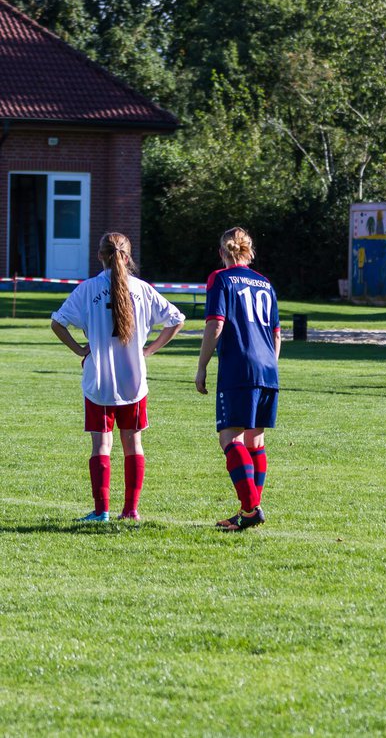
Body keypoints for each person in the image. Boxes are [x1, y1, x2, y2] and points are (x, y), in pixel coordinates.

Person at [50, 233, 186, 522]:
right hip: (134, 381)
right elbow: (176, 319)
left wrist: (79, 350)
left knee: (101, 446)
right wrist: (149, 350)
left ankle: (101, 511)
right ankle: (131, 510)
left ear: (101, 256)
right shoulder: (142, 289)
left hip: (98, 380)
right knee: (133, 445)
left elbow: (57, 323)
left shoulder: (87, 290)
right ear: (127, 256)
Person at [195, 227, 281, 531]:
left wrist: (202, 364)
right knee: (255, 440)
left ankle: (250, 509)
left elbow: (216, 325)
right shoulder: (265, 283)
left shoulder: (220, 278)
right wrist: (269, 365)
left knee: (229, 437)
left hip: (239, 367)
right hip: (269, 367)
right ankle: (249, 510)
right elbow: (276, 333)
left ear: (222, 252)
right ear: (249, 251)